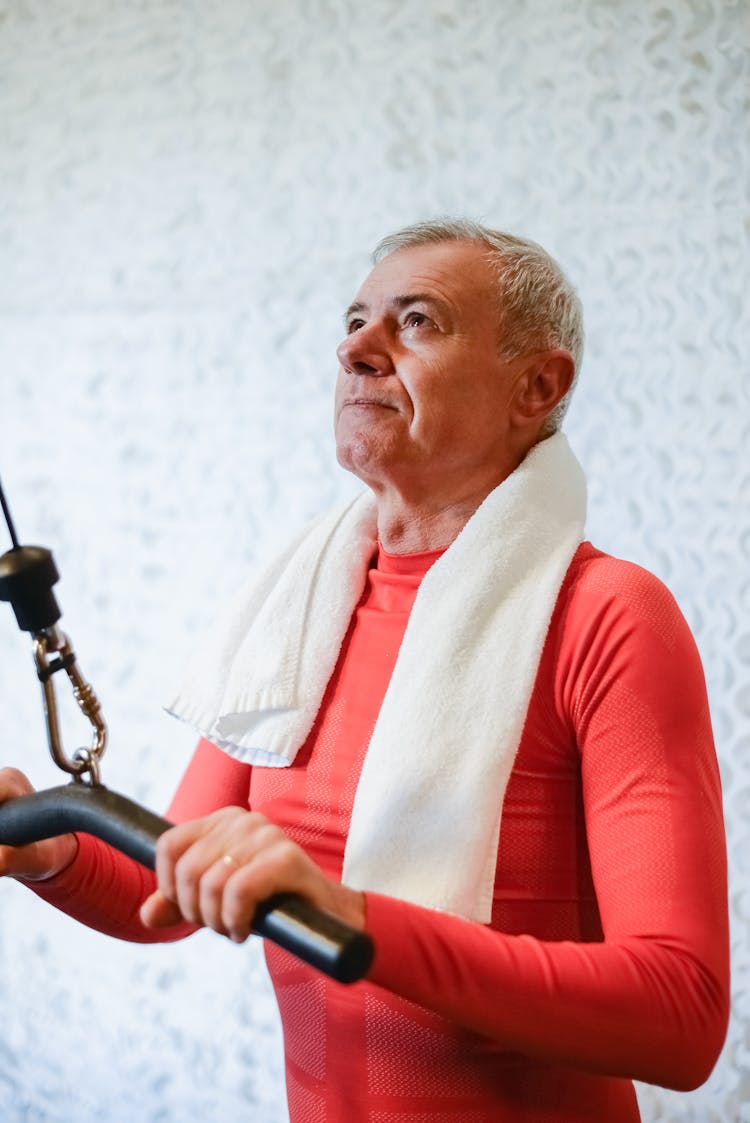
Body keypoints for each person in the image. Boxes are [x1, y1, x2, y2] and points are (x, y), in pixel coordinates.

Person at [0, 219, 730, 1122]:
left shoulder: (608, 615)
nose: (355, 347)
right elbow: (168, 884)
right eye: (354, 320)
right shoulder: (303, 605)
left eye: (415, 321)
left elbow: (680, 1015)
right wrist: (47, 851)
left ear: (537, 385)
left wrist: (356, 918)